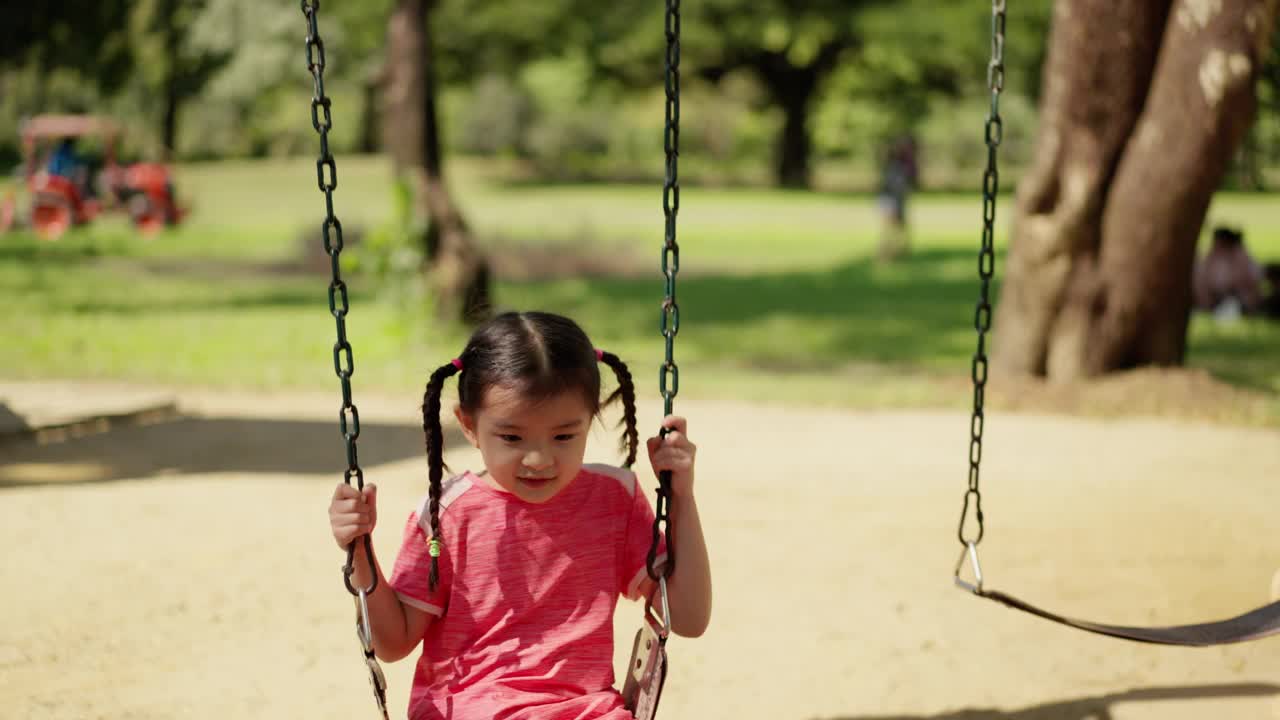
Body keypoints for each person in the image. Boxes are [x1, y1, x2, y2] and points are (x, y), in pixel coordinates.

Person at [328, 311, 712, 720]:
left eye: (564, 436)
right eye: (512, 437)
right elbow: (393, 642)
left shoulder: (614, 499)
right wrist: (359, 550)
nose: (539, 459)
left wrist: (682, 498)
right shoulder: (448, 514)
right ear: (469, 425)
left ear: (591, 419)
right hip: (471, 709)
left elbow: (686, 618)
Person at [1192, 226, 1265, 318]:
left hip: (1237, 297)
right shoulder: (1211, 257)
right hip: (1217, 297)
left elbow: (1251, 280)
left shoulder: (1240, 256)